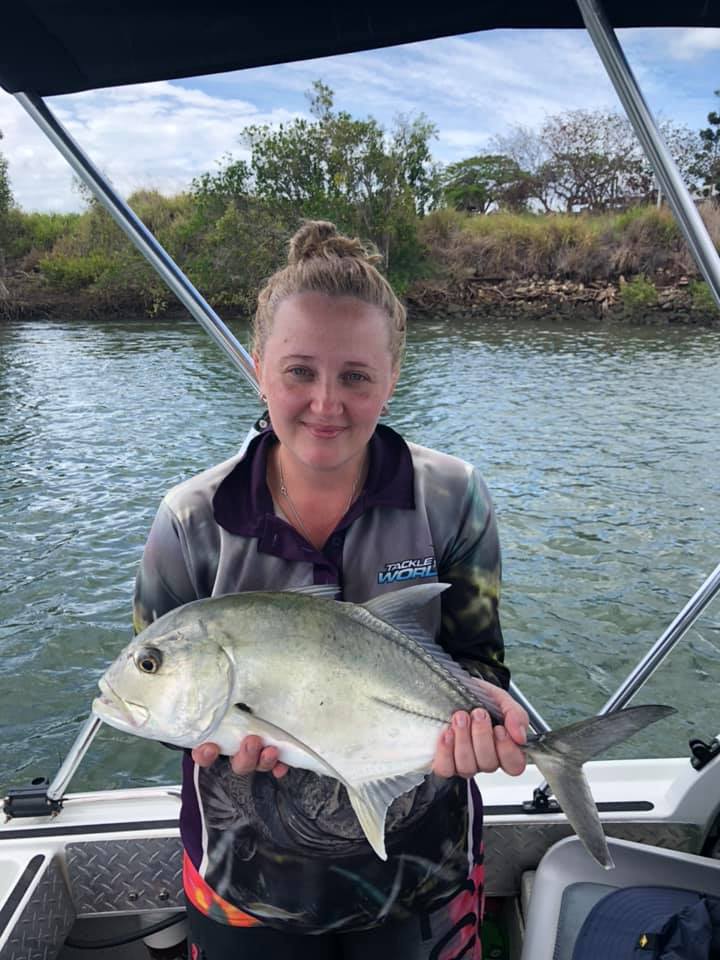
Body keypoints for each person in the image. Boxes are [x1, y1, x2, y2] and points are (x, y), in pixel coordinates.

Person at [133, 220, 529, 960]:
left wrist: (482, 715)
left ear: (392, 378)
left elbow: (479, 662)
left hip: (419, 872)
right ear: (257, 369)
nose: (325, 403)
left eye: (355, 376)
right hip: (244, 887)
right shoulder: (189, 520)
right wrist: (221, 735)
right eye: (298, 371)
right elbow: (157, 695)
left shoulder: (452, 497)